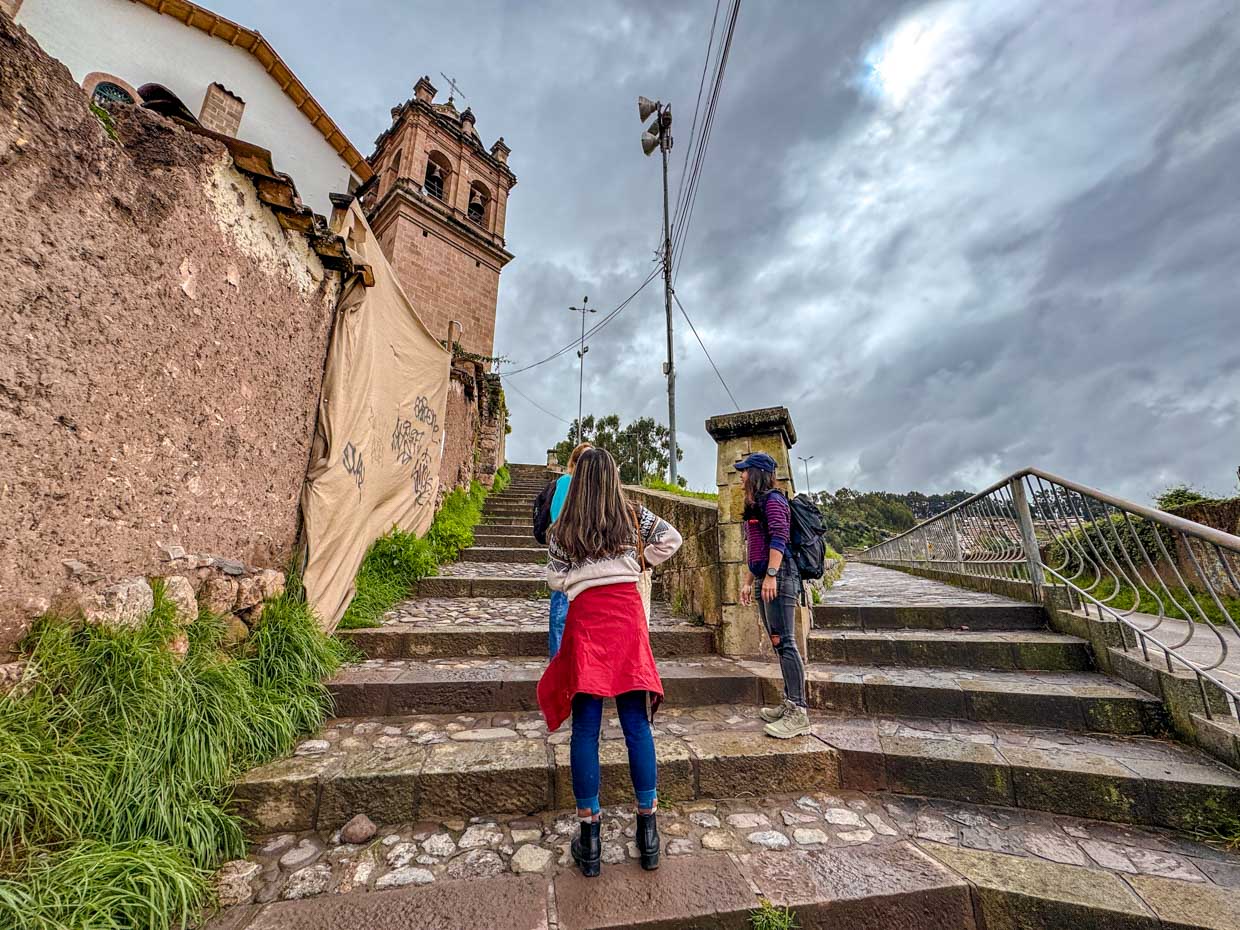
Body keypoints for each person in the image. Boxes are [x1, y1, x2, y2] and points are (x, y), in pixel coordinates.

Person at [537, 448, 683, 877]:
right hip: (626, 617)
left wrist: (582, 581)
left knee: (586, 728)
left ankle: (591, 839)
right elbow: (671, 539)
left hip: (586, 622)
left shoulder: (563, 528)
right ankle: (648, 833)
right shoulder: (632, 515)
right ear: (614, 477)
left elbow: (554, 579)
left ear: (578, 479)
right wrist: (636, 562)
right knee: (636, 725)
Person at [736, 452, 810, 738]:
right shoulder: (754, 506)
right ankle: (790, 703)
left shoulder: (774, 500)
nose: (741, 476)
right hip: (766, 578)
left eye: (744, 471)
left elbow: (779, 537)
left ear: (756, 474)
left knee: (787, 641)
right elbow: (755, 550)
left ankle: (799, 712)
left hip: (780, 578)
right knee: (778, 642)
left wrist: (771, 575)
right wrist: (748, 580)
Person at [533, 442, 592, 657]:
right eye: (584, 459)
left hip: (586, 554)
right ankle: (557, 660)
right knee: (561, 607)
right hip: (567, 551)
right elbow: (557, 517)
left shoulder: (591, 488)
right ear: (575, 463)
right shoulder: (566, 481)